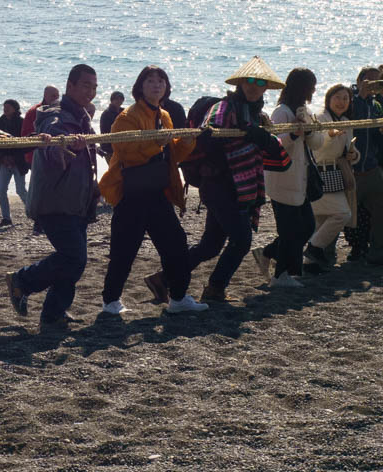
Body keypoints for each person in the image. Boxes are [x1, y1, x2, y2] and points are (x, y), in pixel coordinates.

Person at [97, 66, 207, 316]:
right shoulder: (127, 116)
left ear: (166, 87)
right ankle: (110, 302)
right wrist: (154, 144)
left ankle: (178, 298)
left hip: (157, 193)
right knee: (124, 251)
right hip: (131, 193)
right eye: (150, 81)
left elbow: (170, 156)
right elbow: (122, 150)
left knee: (176, 244)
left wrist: (187, 142)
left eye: (161, 81)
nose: (156, 85)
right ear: (140, 87)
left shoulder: (165, 116)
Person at [184, 58, 290, 304]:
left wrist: (261, 138)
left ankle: (165, 278)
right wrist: (238, 139)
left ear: (266, 87)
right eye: (249, 81)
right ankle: (215, 289)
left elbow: (274, 148)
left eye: (260, 82)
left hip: (240, 186)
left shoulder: (258, 116)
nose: (254, 86)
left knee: (211, 245)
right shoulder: (223, 108)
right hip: (219, 184)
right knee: (242, 241)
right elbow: (207, 137)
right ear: (241, 83)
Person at [7, 64, 100, 330]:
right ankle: (22, 281)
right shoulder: (55, 113)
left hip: (77, 200)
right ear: (70, 85)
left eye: (94, 87)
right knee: (74, 257)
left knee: (74, 260)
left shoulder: (83, 116)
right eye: (85, 85)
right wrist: (64, 143)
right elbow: (51, 133)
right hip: (55, 200)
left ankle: (53, 313)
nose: (91, 92)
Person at [257, 67, 320, 286]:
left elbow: (317, 143)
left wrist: (309, 130)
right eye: (311, 85)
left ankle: (268, 253)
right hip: (282, 178)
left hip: (300, 178)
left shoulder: (306, 110)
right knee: (290, 230)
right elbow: (274, 143)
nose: (313, 90)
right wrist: (294, 133)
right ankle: (280, 275)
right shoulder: (281, 111)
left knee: (307, 227)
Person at [344, 67, 383, 264]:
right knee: (346, 211)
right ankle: (348, 250)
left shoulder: (375, 104)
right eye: (370, 80)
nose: (374, 84)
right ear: (360, 80)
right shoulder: (349, 99)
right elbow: (348, 121)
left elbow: (380, 140)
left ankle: (378, 249)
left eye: (378, 81)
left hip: (371, 167)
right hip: (350, 167)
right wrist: (361, 95)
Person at [304, 83, 361, 269]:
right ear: (328, 99)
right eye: (337, 97)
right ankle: (313, 249)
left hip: (336, 174)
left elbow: (349, 150)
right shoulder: (320, 117)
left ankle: (309, 263)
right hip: (319, 173)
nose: (341, 102)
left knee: (321, 221)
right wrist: (329, 134)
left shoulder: (345, 120)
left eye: (346, 98)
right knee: (342, 214)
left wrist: (354, 155)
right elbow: (317, 149)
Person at [0, 98, 30, 225]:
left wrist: (14, 158)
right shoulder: (0, 123)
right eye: (4, 106)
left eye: (8, 107)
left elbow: (26, 143)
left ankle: (35, 213)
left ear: (15, 108)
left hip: (18, 162)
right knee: (1, 190)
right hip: (3, 161)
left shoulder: (22, 122)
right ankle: (6, 218)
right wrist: (3, 157)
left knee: (20, 190)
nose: (5, 109)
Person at [97, 90, 126, 158]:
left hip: (122, 145)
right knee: (113, 168)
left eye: (121, 99)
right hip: (109, 147)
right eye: (116, 99)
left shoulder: (124, 112)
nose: (119, 101)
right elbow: (104, 132)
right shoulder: (106, 114)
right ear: (112, 100)